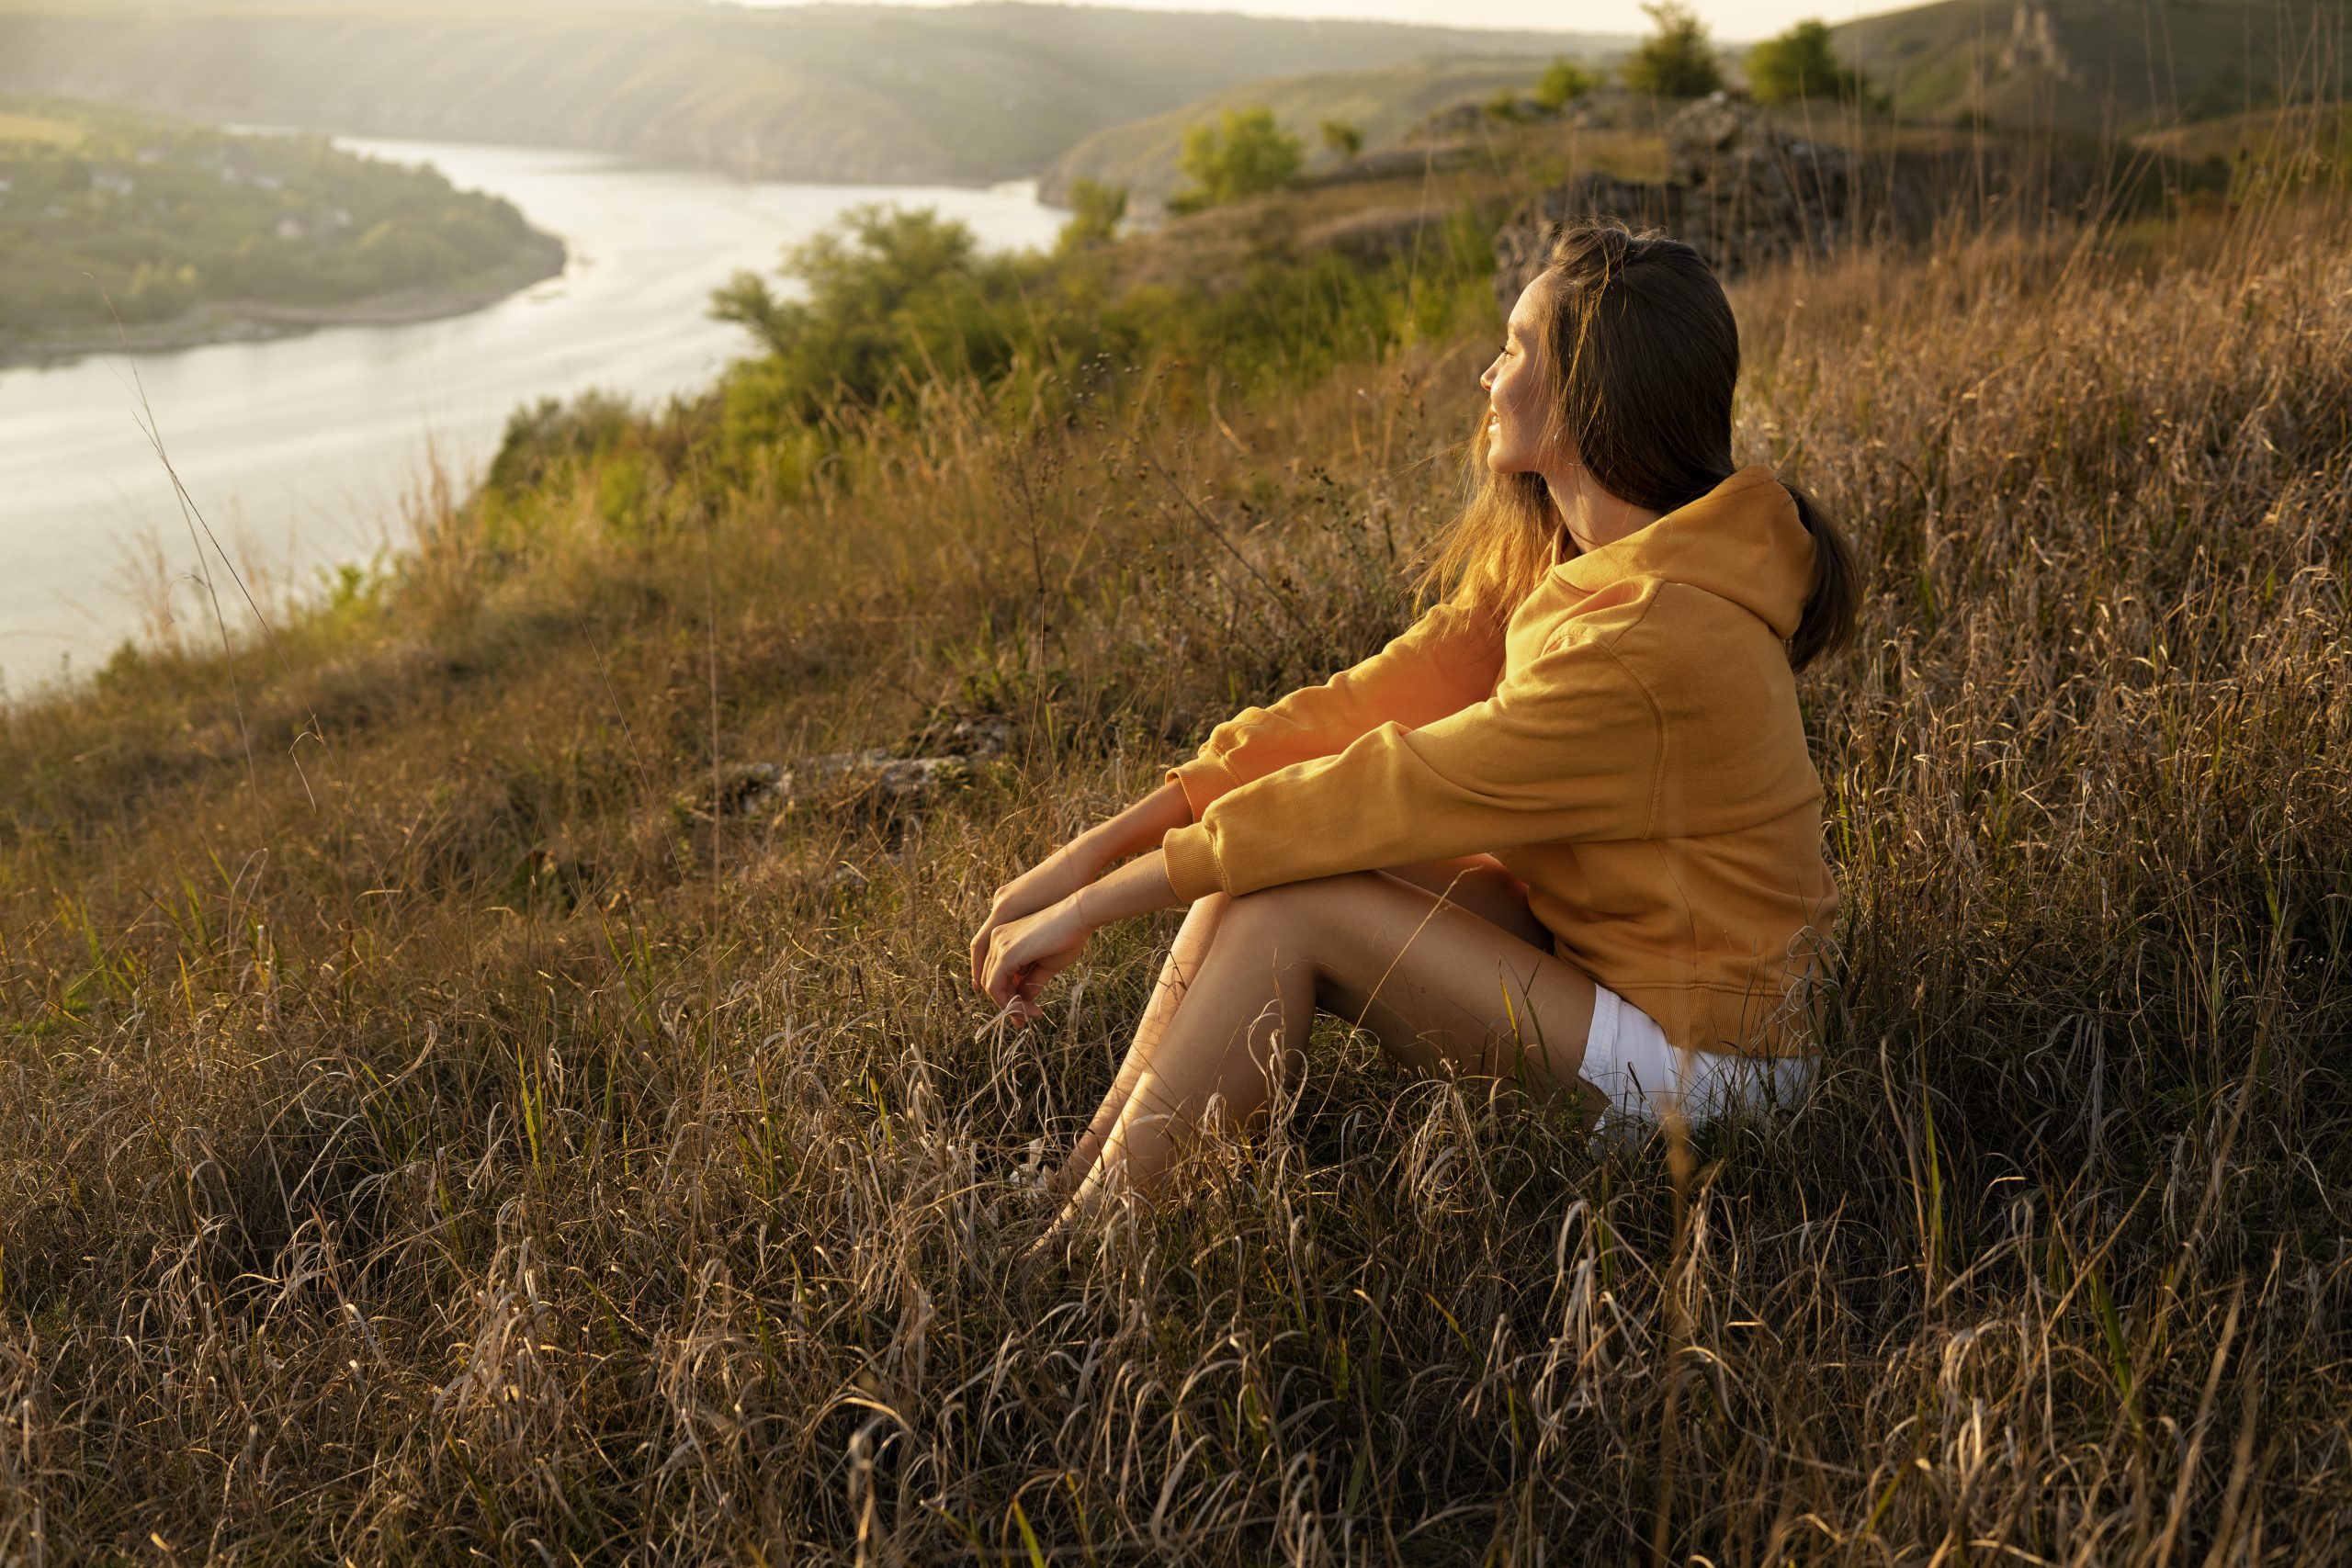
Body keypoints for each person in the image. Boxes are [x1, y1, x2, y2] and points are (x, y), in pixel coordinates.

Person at [970, 220, 1857, 1238]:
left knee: (1287, 909)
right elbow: (1357, 709)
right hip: (1615, 980)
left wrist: (1097, 906)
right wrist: (1083, 858)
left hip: (1715, 1084)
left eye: (1516, 348)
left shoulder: (1645, 636)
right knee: (1269, 875)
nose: (1487, 373)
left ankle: (1081, 1255)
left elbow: (1387, 791)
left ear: (1585, 394)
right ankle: (1077, 1191)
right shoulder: (1587, 563)